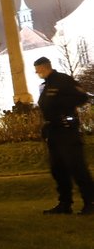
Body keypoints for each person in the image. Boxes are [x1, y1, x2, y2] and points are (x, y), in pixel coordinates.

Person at [33, 56, 94, 215]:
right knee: (58, 169)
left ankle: (90, 202)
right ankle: (64, 203)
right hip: (54, 131)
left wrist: (62, 106)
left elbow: (82, 96)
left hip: (67, 130)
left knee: (77, 167)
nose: (36, 73)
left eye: (38, 70)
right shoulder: (47, 85)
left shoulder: (62, 80)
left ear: (44, 67)